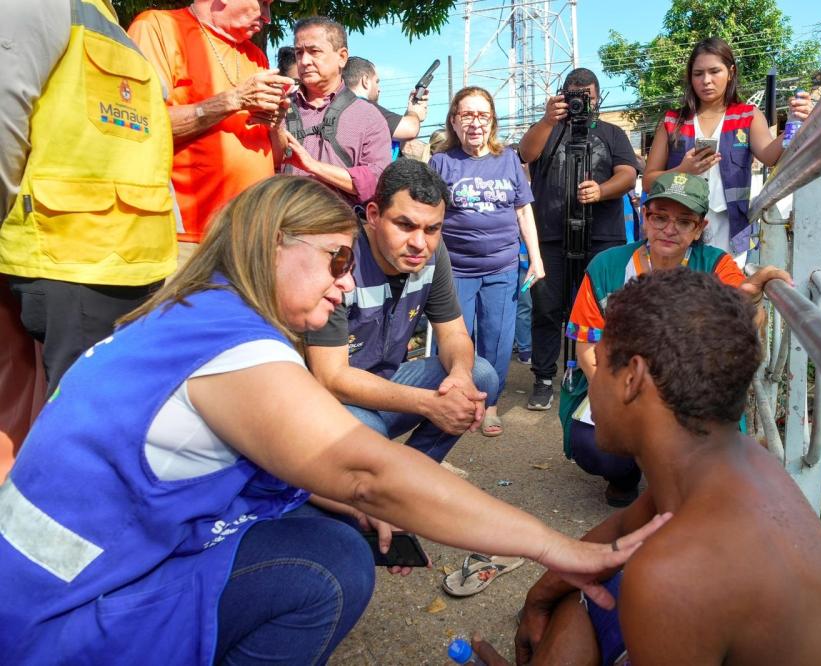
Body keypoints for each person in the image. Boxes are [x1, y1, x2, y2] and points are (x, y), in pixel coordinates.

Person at [0, 175, 668, 664]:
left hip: (48, 586)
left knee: (333, 520)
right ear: (272, 245)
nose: (347, 282)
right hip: (67, 616)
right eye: (336, 259)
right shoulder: (233, 345)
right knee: (330, 566)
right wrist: (555, 547)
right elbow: (368, 472)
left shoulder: (197, 315)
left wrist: (342, 495)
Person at [471, 269, 821, 666]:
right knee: (579, 598)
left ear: (632, 378)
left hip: (674, 599)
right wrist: (538, 599)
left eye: (599, 361)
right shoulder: (731, 462)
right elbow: (622, 529)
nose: (592, 380)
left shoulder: (670, 578)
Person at [559, 172, 789, 507]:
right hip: (623, 386)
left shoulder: (715, 264)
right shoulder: (607, 266)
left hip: (692, 391)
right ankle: (623, 475)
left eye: (684, 221)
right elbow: (587, 349)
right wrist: (629, 403)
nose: (670, 228)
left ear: (699, 228)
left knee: (698, 446)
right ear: (645, 218)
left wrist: (750, 302)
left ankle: (685, 484)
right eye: (660, 217)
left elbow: (744, 324)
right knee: (595, 445)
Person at [1, 0, 176, 396]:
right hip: (73, 257)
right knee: (88, 413)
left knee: (114, 407)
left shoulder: (105, 19)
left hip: (132, 260)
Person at [306, 159, 499, 462]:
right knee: (369, 433)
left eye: (432, 229)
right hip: (329, 402)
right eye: (405, 225)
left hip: (387, 386)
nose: (419, 243)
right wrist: (429, 404)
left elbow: (454, 334)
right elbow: (330, 377)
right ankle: (381, 475)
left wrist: (460, 377)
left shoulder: (432, 255)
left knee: (480, 375)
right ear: (373, 215)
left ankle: (414, 470)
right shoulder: (342, 256)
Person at [128, 0, 296, 259]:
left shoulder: (256, 56)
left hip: (252, 236)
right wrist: (233, 101)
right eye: (263, 3)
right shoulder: (158, 27)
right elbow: (139, 126)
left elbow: (274, 156)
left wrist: (276, 124)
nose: (268, 17)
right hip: (187, 239)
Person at [518, 68, 640, 411]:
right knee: (546, 308)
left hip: (602, 237)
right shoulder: (548, 129)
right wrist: (547, 120)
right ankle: (544, 378)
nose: (580, 102)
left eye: (587, 96)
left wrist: (601, 190)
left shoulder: (613, 133)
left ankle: (604, 376)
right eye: (573, 94)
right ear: (562, 95)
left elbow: (628, 174)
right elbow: (525, 154)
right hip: (551, 237)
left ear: (598, 98)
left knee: (604, 309)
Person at [429, 87, 544, 436]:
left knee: (497, 337)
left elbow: (523, 211)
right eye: (467, 115)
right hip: (455, 269)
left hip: (502, 267)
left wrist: (536, 259)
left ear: (492, 120)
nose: (475, 123)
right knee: (455, 338)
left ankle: (489, 403)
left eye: (482, 115)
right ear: (453, 120)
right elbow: (431, 214)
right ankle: (456, 399)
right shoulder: (441, 162)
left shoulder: (508, 159)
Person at [644, 37, 813, 260]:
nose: (706, 80)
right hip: (678, 230)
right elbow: (648, 181)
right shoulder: (672, 121)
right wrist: (683, 170)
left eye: (715, 71)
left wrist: (796, 122)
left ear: (731, 72)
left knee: (726, 282)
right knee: (679, 282)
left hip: (732, 231)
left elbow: (769, 156)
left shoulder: (748, 116)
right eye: (698, 73)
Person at [278, 17, 392, 208]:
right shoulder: (278, 109)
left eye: (314, 51)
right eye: (299, 52)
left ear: (342, 57)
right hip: (282, 222)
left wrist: (313, 166)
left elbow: (377, 181)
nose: (304, 61)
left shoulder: (368, 117)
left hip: (343, 224)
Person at [344, 56, 430, 143]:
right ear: (365, 81)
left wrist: (410, 113)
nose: (379, 89)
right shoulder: (364, 109)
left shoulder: (343, 107)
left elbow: (396, 135)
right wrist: (414, 112)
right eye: (376, 82)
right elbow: (410, 129)